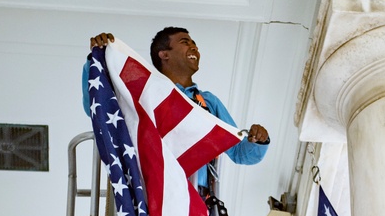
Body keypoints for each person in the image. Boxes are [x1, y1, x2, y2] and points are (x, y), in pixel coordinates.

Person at [85, 28, 270, 193]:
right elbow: (97, 107)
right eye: (185, 42)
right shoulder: (144, 92)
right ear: (164, 54)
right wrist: (96, 61)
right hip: (149, 192)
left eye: (195, 44)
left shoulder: (207, 102)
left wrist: (258, 141)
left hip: (195, 199)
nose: (194, 48)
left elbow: (239, 153)